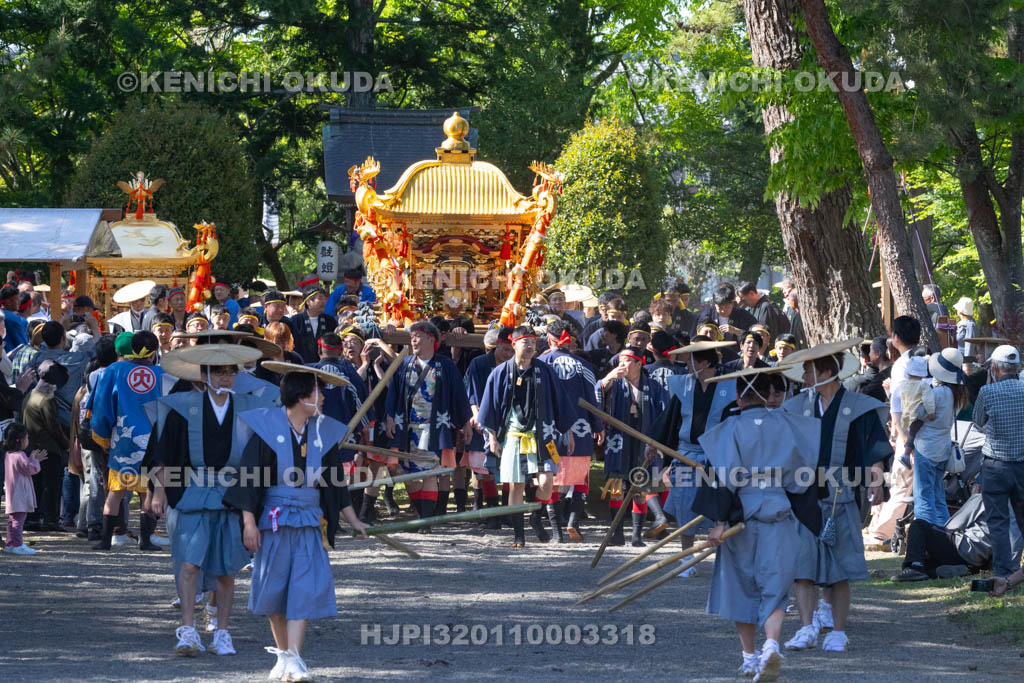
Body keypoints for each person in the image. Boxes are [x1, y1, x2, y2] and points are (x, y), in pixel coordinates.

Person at [224, 366, 369, 682]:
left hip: (307, 521)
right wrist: (249, 523)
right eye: (319, 392)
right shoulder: (266, 427)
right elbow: (248, 480)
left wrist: (354, 520)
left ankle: (294, 657)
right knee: (275, 591)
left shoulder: (323, 432)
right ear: (303, 397)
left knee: (303, 588)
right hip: (273, 521)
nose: (324, 398)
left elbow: (335, 485)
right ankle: (284, 655)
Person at [693, 365, 820, 681]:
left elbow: (723, 478)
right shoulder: (791, 425)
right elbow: (802, 477)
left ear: (738, 396)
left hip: (741, 519)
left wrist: (719, 521)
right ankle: (771, 646)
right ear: (769, 395)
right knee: (775, 587)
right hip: (779, 513)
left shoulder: (730, 428)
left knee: (741, 587)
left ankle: (750, 657)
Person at [148, 343, 269, 656]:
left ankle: (222, 633)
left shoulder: (249, 407)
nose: (226, 378)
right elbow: (163, 453)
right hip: (191, 491)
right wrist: (158, 491)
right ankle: (188, 630)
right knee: (188, 563)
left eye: (231, 372)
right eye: (219, 372)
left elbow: (259, 455)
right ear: (204, 375)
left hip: (232, 492)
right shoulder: (181, 406)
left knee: (227, 569)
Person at [780, 339, 890, 654]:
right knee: (802, 568)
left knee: (840, 569)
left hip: (842, 492)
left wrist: (876, 479)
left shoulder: (858, 406)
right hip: (803, 495)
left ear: (827, 371)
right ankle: (806, 628)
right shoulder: (797, 406)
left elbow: (874, 447)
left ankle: (838, 631)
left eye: (808, 369)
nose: (803, 375)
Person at [477, 325, 576, 546]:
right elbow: (489, 408)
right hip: (512, 435)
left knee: (547, 481)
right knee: (516, 485)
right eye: (525, 341)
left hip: (543, 434)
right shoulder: (501, 372)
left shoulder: (545, 370)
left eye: (533, 342)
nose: (531, 345)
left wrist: (567, 431)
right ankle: (519, 535)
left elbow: (561, 400)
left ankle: (535, 515)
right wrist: (492, 437)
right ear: (514, 344)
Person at [651, 338, 738, 573]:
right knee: (684, 506)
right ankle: (686, 558)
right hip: (686, 454)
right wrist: (654, 445)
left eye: (690, 361)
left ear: (703, 362)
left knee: (720, 505)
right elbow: (669, 419)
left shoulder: (730, 386)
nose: (686, 366)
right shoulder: (683, 386)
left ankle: (724, 558)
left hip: (717, 456)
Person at [383, 320, 472, 530]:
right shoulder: (404, 363)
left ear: (431, 339)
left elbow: (459, 394)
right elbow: (393, 391)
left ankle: (425, 521)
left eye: (418, 336)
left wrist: (465, 422)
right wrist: (389, 416)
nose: (413, 340)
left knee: (430, 472)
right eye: (411, 337)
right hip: (408, 427)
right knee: (409, 475)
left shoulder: (446, 365)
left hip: (434, 428)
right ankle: (422, 515)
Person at [88, 331, 164, 551]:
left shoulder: (114, 370)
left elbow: (101, 408)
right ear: (154, 351)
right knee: (146, 492)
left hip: (123, 438)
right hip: (152, 440)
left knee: (116, 492)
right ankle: (146, 540)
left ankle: (105, 540)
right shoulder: (162, 373)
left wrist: (102, 437)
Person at [539, 320, 602, 541]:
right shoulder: (583, 366)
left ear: (549, 339)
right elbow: (594, 397)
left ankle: (556, 530)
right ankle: (573, 522)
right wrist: (598, 425)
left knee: (551, 477)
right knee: (579, 477)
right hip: (581, 426)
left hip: (549, 428)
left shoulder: (541, 363)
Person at [865, 315, 921, 544]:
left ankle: (882, 531)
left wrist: (899, 435)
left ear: (895, 338)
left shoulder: (902, 365)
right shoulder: (923, 359)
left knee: (900, 484)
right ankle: (879, 525)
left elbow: (898, 407)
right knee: (907, 484)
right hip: (925, 431)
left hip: (908, 433)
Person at [972, 344, 1024, 579]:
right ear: (1017, 368)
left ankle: (1004, 572)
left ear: (994, 368)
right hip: (1022, 464)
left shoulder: (987, 392)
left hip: (995, 465)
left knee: (998, 522)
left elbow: (978, 421)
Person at [892, 493, 1022, 582]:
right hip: (980, 560)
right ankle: (939, 571)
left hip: (963, 546)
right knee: (930, 561)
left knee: (918, 525)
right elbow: (1013, 544)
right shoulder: (1018, 511)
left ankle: (915, 568)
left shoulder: (983, 498)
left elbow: (952, 525)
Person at [463, 325, 514, 521]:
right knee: (486, 470)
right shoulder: (479, 363)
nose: (508, 354)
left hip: (510, 421)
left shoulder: (518, 364)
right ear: (497, 345)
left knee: (510, 468)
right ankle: (492, 513)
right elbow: (471, 393)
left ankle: (507, 512)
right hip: (483, 418)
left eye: (512, 350)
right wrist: (475, 415)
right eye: (505, 349)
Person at [22, 360, 70, 532]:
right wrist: (67, 445)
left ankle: (32, 518)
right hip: (48, 449)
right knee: (52, 485)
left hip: (32, 448)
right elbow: (54, 427)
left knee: (36, 485)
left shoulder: (30, 395)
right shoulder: (47, 399)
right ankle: (51, 519)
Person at [4, 423, 48, 554]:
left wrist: (31, 459)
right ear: (20, 440)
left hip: (12, 492)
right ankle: (18, 545)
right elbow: (29, 469)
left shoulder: (9, 455)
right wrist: (36, 460)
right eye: (27, 438)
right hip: (19, 493)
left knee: (12, 520)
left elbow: (22, 468)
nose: (28, 440)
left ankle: (10, 543)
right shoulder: (19, 455)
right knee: (19, 520)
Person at [288, 284, 337, 364]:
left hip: (324, 366)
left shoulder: (330, 321)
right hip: (300, 365)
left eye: (324, 299)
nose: (323, 302)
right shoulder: (295, 321)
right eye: (320, 298)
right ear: (308, 302)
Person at [842, 337, 890, 403]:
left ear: (878, 354)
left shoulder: (879, 380)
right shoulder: (894, 372)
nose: (869, 354)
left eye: (870, 351)